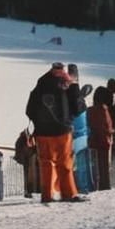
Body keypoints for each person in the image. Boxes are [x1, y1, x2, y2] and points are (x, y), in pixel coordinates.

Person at [25, 63, 86, 204]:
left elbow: (29, 109)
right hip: (62, 132)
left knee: (46, 163)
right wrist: (75, 84)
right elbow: (77, 107)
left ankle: (48, 194)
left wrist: (37, 126)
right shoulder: (66, 81)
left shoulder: (41, 82)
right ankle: (69, 193)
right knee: (64, 163)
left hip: (42, 133)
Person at [86, 86, 114, 190]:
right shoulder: (104, 110)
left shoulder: (89, 110)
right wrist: (111, 131)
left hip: (92, 141)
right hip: (104, 142)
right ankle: (105, 186)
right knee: (104, 167)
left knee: (94, 167)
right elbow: (108, 126)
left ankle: (95, 186)